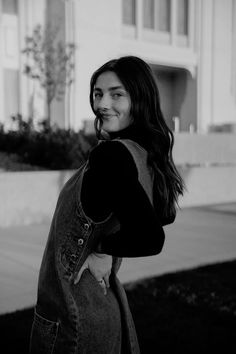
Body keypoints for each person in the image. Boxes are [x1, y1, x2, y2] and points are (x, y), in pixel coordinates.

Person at [29, 56, 184, 354]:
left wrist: (103, 250)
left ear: (139, 99)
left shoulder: (111, 156)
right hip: (103, 310)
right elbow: (164, 214)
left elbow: (151, 236)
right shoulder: (142, 154)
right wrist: (108, 245)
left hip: (73, 316)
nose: (102, 104)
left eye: (117, 94)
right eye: (98, 94)